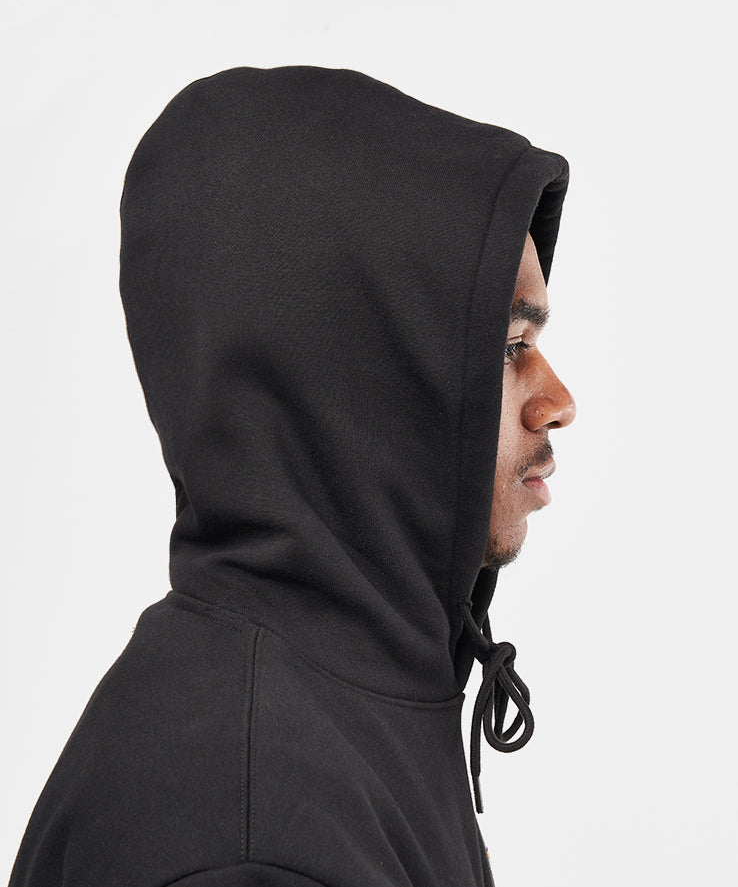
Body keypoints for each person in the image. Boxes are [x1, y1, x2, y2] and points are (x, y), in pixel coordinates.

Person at [8, 65, 576, 887]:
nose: (558, 402)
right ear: (358, 379)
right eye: (509, 347)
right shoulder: (247, 828)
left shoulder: (346, 696)